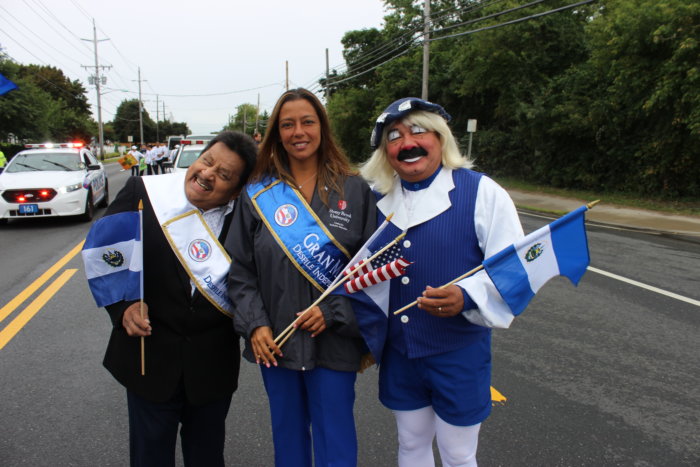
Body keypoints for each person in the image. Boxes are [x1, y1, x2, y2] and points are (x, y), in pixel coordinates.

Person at [360, 97, 524, 467]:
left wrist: (466, 295)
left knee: (458, 454)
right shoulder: (376, 201)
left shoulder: (481, 191)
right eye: (394, 136)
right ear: (385, 152)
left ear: (441, 138)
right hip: (400, 354)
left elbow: (511, 266)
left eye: (418, 131)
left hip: (457, 352)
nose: (407, 142)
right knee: (410, 445)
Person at [226, 88, 377, 467]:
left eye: (307, 122)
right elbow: (240, 270)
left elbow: (373, 272)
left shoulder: (356, 190)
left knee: (336, 440)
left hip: (335, 341)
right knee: (288, 440)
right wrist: (255, 325)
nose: (299, 131)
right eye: (288, 124)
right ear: (277, 133)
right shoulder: (257, 194)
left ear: (322, 128)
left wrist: (334, 312)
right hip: (275, 342)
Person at [96, 131, 257, 466]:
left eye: (224, 175)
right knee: (149, 456)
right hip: (149, 356)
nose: (208, 174)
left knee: (207, 456)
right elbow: (106, 250)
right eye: (207, 161)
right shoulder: (147, 194)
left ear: (237, 189)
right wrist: (123, 305)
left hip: (212, 366)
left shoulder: (249, 218)